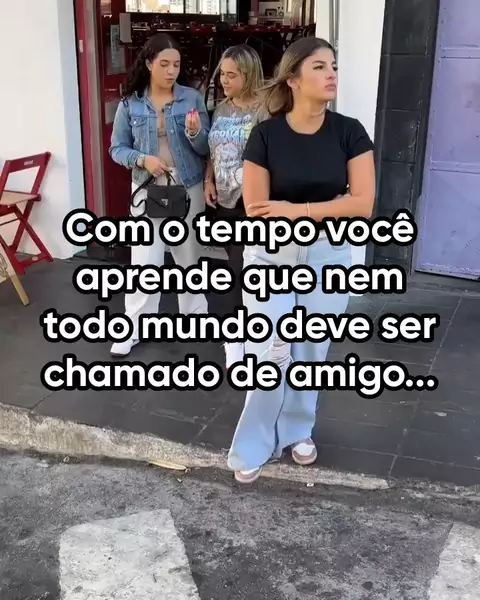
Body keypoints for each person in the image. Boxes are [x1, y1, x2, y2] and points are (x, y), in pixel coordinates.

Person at [228, 37, 375, 483]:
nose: (331, 75)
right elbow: (257, 208)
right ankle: (253, 444)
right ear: (293, 79)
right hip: (271, 253)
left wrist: (297, 211)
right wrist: (332, 205)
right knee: (268, 349)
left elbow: (363, 205)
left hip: (329, 254)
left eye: (334, 66)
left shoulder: (349, 131)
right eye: (319, 67)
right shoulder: (266, 135)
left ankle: (297, 430)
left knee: (312, 347)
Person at [109, 33, 210, 356]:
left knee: (188, 256)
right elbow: (116, 148)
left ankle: (195, 316)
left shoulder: (191, 98)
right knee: (144, 261)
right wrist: (142, 159)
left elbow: (205, 147)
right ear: (149, 63)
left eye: (176, 65)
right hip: (147, 188)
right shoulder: (130, 103)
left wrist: (195, 132)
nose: (171, 71)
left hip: (186, 185)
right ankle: (135, 327)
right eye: (164, 64)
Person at [203, 44, 265, 369]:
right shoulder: (220, 110)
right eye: (222, 74)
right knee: (236, 269)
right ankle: (239, 337)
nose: (224, 81)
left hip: (252, 203)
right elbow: (213, 149)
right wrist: (208, 179)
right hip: (224, 202)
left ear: (249, 75)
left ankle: (242, 338)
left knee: (242, 272)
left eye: (231, 75)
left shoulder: (265, 109)